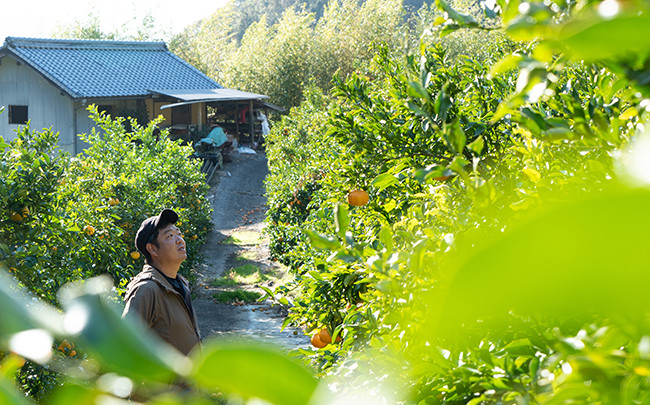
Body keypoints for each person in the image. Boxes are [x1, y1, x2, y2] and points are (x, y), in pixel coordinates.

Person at [122, 209, 201, 356]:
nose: (179, 240)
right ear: (152, 249)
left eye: (179, 233)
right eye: (170, 236)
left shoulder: (180, 284)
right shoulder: (146, 289)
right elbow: (124, 346)